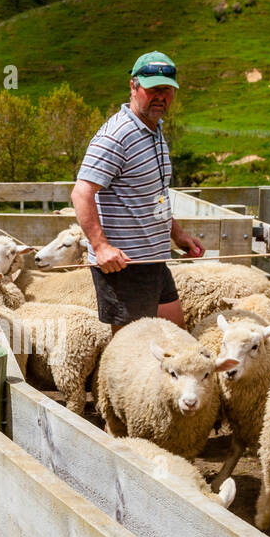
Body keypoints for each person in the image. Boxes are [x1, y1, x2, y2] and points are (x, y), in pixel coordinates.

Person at [71, 50, 204, 334]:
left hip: (154, 259)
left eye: (166, 90)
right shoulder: (116, 136)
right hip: (124, 267)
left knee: (176, 337)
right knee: (134, 354)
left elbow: (153, 196)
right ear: (133, 86)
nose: (160, 97)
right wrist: (101, 247)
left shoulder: (154, 131)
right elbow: (81, 193)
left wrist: (177, 234)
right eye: (153, 89)